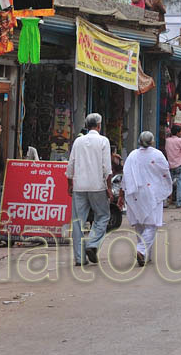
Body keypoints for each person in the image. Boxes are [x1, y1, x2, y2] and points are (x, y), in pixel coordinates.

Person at [66, 113, 113, 266]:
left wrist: (70, 184)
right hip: (97, 186)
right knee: (103, 216)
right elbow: (107, 167)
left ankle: (79, 259)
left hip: (79, 186)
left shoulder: (78, 141)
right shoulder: (103, 141)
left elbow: (71, 164)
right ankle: (92, 243)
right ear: (99, 125)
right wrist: (109, 188)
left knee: (77, 222)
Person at [120, 131, 173, 266]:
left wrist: (122, 193)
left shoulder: (132, 155)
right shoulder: (157, 154)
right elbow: (165, 172)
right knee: (152, 225)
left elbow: (125, 175)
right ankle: (142, 250)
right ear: (152, 141)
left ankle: (145, 254)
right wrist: (167, 189)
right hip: (152, 193)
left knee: (139, 225)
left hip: (135, 193)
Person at [164, 124, 181, 209]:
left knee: (168, 184)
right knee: (180, 184)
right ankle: (179, 202)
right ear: (178, 132)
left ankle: (165, 202)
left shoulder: (167, 140)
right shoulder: (180, 141)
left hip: (170, 164)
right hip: (179, 164)